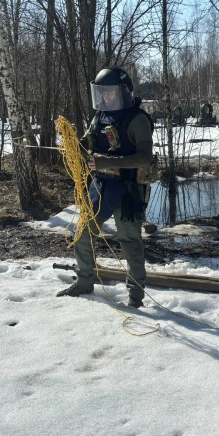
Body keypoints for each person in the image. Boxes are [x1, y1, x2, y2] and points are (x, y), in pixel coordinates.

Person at [57, 67, 154, 308]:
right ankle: (84, 281)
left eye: (111, 92)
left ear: (123, 92)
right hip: (102, 185)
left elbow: (144, 157)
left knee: (130, 241)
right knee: (83, 231)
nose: (107, 97)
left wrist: (106, 161)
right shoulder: (99, 117)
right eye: (103, 93)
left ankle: (136, 296)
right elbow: (88, 146)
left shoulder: (137, 119)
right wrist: (72, 144)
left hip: (130, 188)